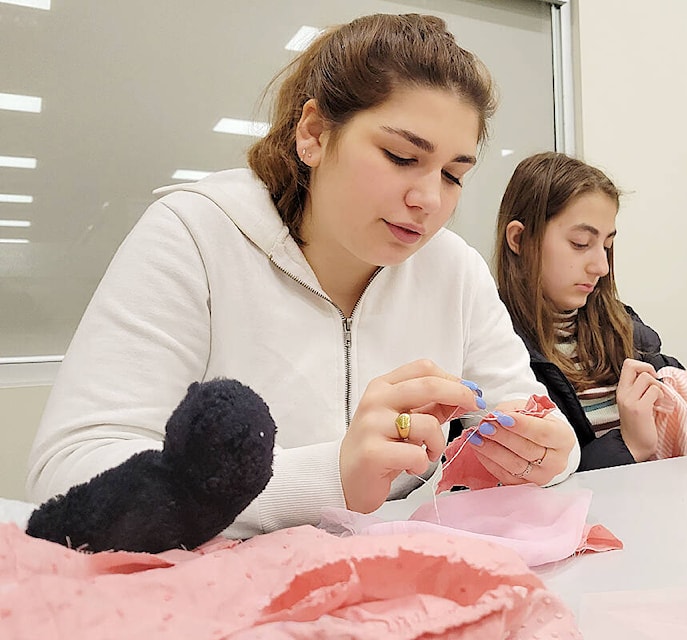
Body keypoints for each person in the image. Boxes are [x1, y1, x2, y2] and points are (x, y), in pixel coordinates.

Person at [26, 14, 578, 538]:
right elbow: (70, 474)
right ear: (313, 133)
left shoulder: (453, 269)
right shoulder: (195, 235)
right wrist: (328, 478)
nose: (429, 199)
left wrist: (545, 454)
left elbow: (532, 417)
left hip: (400, 594)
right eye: (400, 156)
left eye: (454, 174)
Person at [494, 152, 687, 470]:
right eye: (580, 243)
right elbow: (527, 484)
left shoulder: (624, 329)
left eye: (607, 246)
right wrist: (628, 445)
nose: (601, 266)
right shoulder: (495, 355)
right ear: (519, 239)